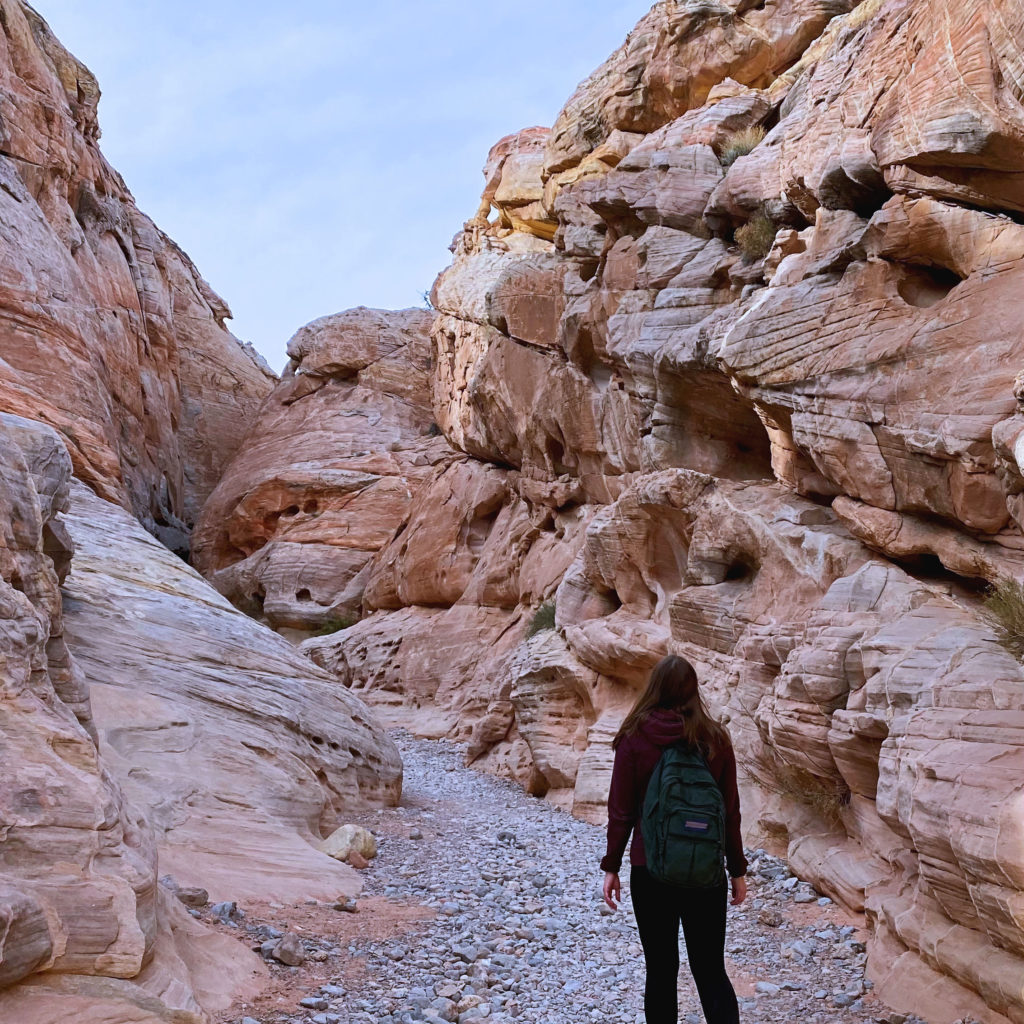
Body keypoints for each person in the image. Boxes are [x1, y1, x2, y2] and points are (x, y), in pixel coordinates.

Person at [601, 654, 747, 1024]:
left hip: (651, 870)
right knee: (710, 968)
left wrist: (612, 867)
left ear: (654, 688)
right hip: (705, 872)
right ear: (693, 691)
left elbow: (620, 811)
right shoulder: (715, 739)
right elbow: (729, 812)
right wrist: (737, 871)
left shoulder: (634, 737)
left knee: (661, 969)